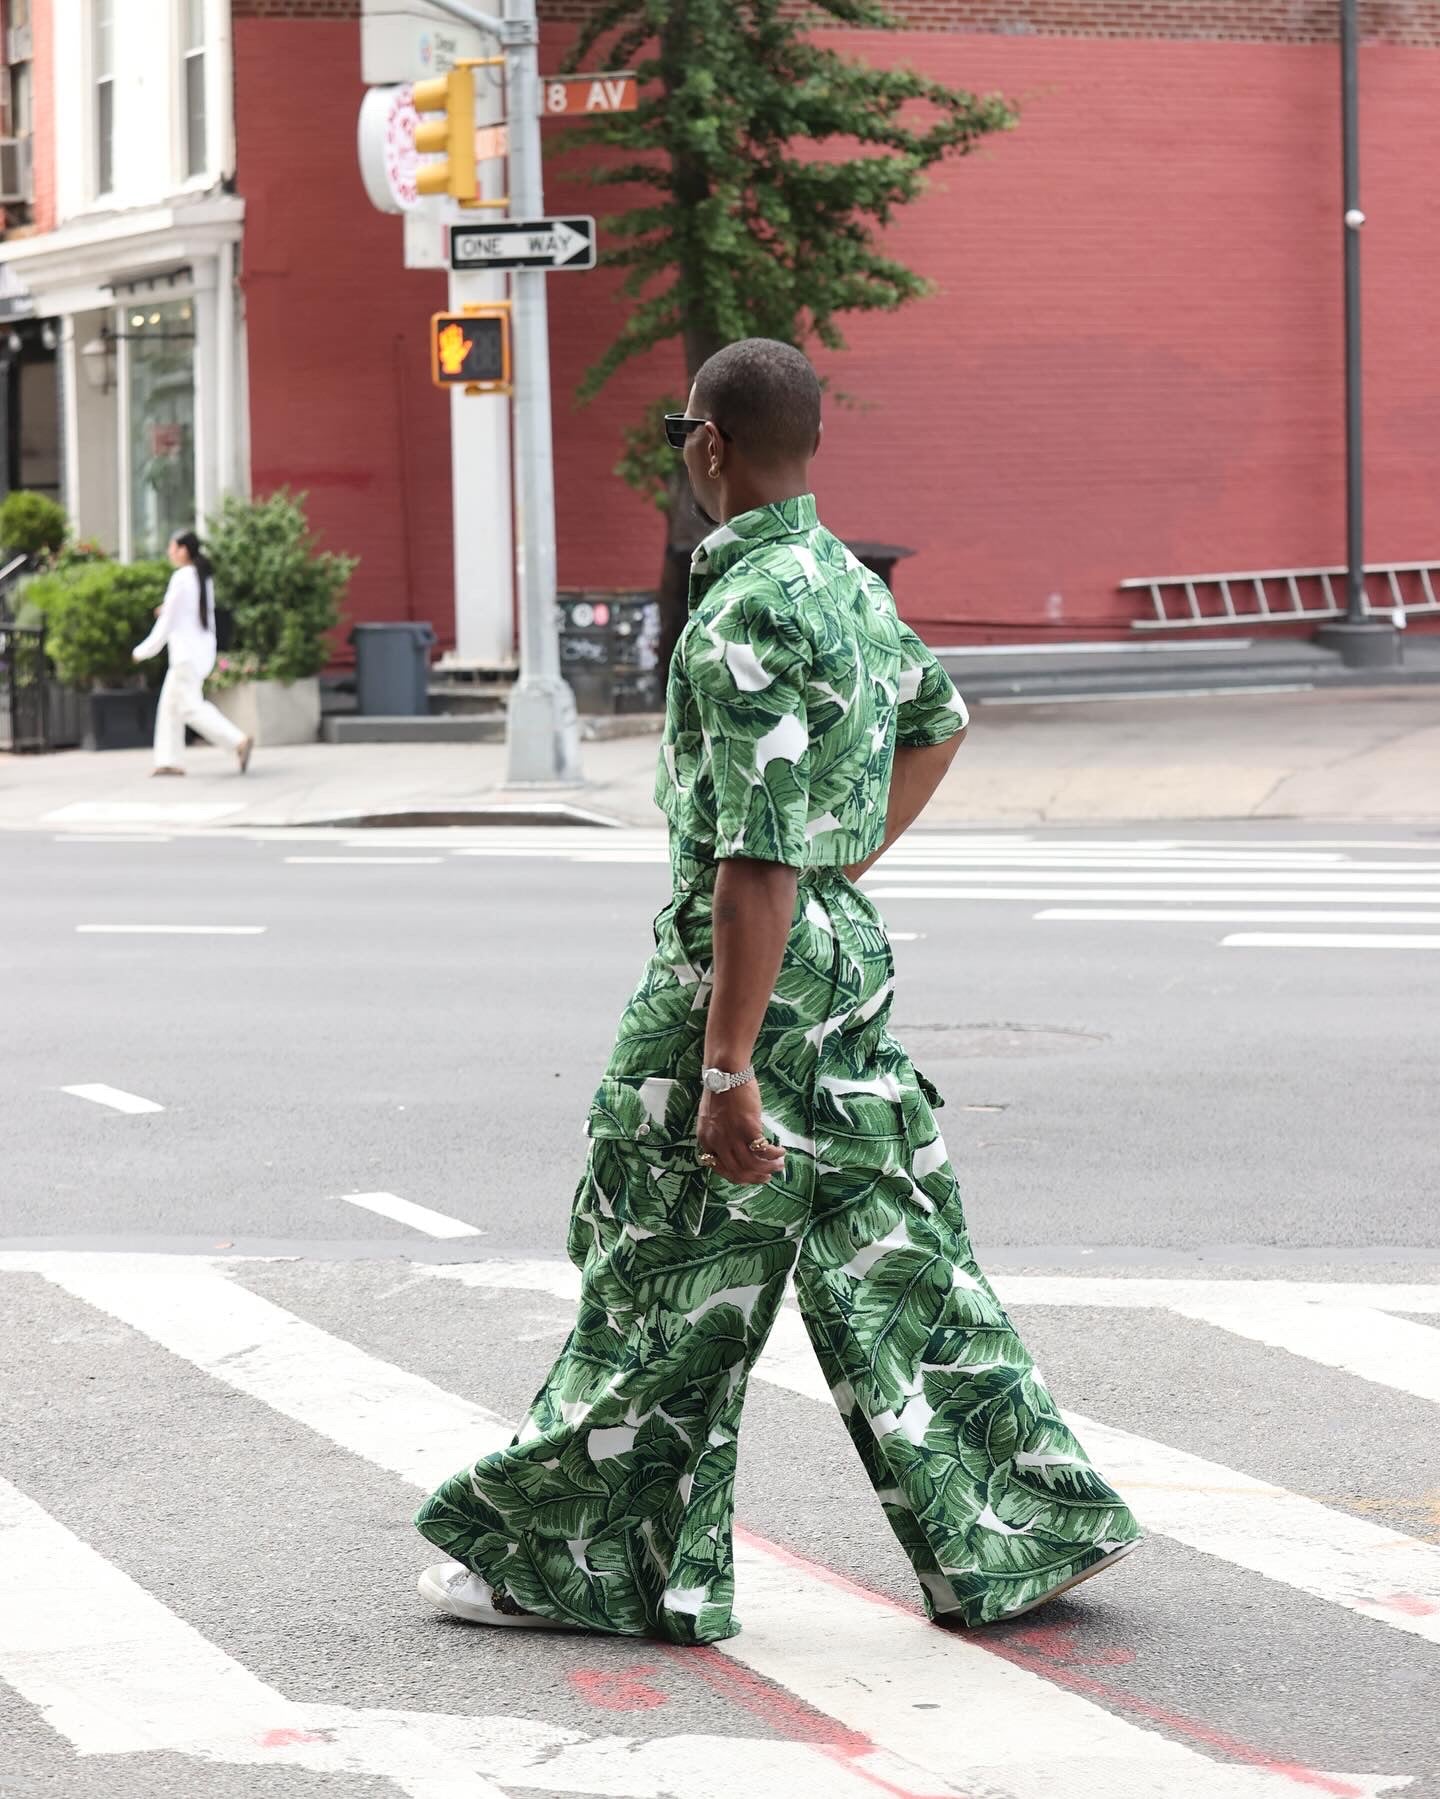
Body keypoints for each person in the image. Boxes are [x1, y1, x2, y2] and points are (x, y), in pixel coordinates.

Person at [414, 339, 1141, 1643]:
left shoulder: (745, 606)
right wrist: (847, 854)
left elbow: (753, 862)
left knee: (664, 1271)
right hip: (846, 978)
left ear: (709, 446)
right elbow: (939, 714)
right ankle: (1024, 1529)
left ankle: (587, 1558)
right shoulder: (846, 587)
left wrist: (726, 1067)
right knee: (903, 1267)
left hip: (741, 985)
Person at [132, 530, 253, 777]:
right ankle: (169, 760)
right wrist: (166, 610)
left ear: (184, 550)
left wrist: (143, 651)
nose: (169, 552)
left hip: (185, 656)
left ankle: (236, 741)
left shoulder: (181, 577)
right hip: (199, 652)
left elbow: (168, 622)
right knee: (170, 706)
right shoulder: (201, 577)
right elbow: (185, 611)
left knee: (190, 707)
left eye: (172, 547)